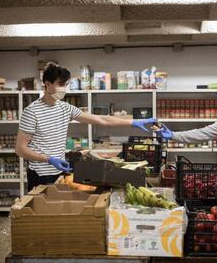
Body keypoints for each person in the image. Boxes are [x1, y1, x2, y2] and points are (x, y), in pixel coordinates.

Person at [16, 62, 156, 191]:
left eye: (66, 84)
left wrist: (133, 122)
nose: (63, 88)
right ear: (47, 84)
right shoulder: (32, 112)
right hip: (40, 175)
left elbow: (101, 119)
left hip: (61, 172)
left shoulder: (66, 108)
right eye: (60, 84)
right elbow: (20, 149)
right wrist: (48, 159)